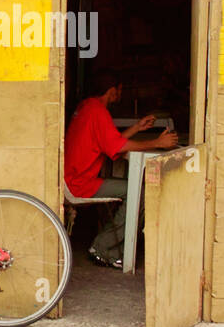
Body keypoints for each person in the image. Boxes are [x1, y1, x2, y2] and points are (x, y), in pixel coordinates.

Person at [64, 69, 178, 268]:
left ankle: (107, 247)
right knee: (139, 192)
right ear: (112, 91)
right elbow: (119, 147)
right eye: (119, 89)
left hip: (74, 177)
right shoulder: (97, 111)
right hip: (80, 183)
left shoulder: (87, 107)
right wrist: (158, 142)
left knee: (135, 189)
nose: (121, 93)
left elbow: (109, 143)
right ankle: (103, 249)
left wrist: (137, 128)